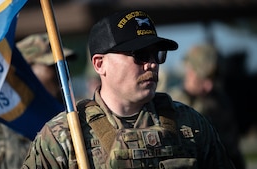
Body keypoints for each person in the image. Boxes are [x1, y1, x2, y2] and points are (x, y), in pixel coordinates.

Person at [21, 10, 235, 169]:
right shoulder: (63, 136)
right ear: (99, 64)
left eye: (157, 55)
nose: (151, 63)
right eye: (140, 55)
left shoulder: (190, 125)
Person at [0, 33, 76, 169]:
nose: (61, 72)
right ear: (26, 70)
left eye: (63, 64)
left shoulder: (73, 115)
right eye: (52, 65)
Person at [168, 43, 246, 169]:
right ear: (189, 70)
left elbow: (233, 151)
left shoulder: (221, 102)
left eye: (214, 79)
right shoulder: (170, 105)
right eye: (202, 78)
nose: (209, 86)